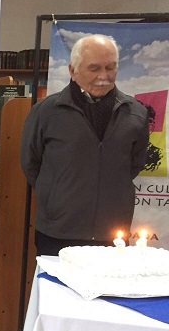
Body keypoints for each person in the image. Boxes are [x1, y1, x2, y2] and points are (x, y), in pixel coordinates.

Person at [20, 34, 148, 256]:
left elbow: (135, 163)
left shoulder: (136, 113)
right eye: (94, 68)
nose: (103, 76)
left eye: (110, 67)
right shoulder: (46, 112)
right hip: (58, 231)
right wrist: (60, 194)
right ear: (72, 70)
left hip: (112, 233)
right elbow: (30, 163)